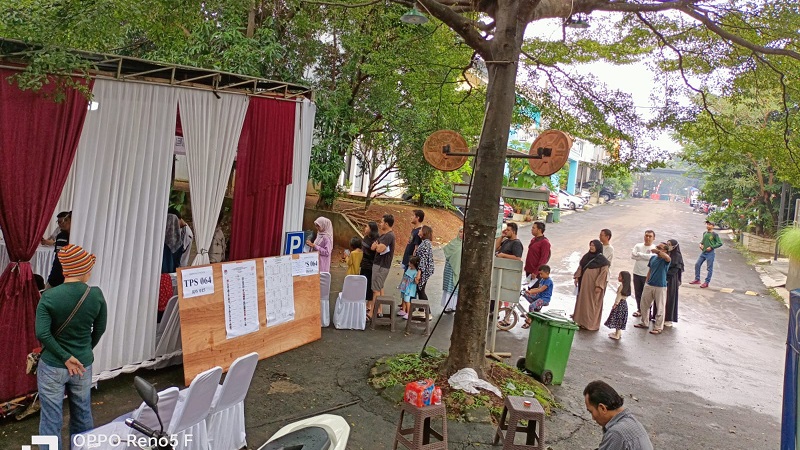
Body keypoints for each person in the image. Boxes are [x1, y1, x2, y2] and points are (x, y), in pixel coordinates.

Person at [36, 244, 107, 448]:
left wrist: (64, 356)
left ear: (65, 270)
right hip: (82, 365)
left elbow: (42, 333)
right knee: (83, 412)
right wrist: (82, 351)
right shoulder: (96, 295)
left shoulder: (48, 297)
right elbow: (100, 329)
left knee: (50, 418)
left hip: (52, 366)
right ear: (83, 269)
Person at [583, 381, 654, 450]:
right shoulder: (630, 421)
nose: (593, 418)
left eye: (591, 412)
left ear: (602, 408)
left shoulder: (617, 433)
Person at [634, 242, 672, 334]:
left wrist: (658, 252)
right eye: (657, 247)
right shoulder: (653, 258)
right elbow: (650, 270)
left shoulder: (665, 260)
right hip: (650, 284)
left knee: (660, 307)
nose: (658, 248)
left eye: (660, 247)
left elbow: (668, 258)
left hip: (660, 286)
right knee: (644, 305)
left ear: (665, 250)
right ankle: (644, 322)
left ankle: (658, 327)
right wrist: (647, 282)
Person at [573, 240, 611, 331]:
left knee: (592, 304)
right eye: (590, 245)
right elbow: (581, 266)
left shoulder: (603, 261)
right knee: (582, 302)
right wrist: (577, 277)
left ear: (598, 247)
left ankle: (590, 324)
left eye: (593, 246)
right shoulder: (586, 257)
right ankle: (581, 322)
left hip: (593, 286)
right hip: (584, 285)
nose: (591, 247)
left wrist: (599, 286)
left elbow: (604, 273)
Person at [369, 214, 395, 318]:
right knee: (379, 287)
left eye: (382, 222)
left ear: (386, 224)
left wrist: (377, 246)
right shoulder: (383, 235)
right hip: (378, 264)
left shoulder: (389, 236)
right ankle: (379, 310)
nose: (380, 223)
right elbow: (374, 247)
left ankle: (372, 313)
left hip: (382, 265)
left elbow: (379, 249)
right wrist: (376, 246)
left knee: (375, 289)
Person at [630, 230, 656, 318]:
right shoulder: (638, 245)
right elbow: (633, 256)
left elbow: (652, 257)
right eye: (646, 236)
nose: (647, 238)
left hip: (647, 273)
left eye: (650, 236)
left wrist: (640, 255)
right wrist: (644, 256)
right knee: (638, 292)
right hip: (637, 272)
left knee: (647, 294)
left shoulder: (654, 248)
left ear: (653, 238)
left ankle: (648, 311)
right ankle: (639, 309)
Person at [689, 220, 723, 288]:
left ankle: (707, 282)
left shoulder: (714, 234)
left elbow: (720, 243)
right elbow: (702, 241)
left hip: (710, 253)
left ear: (713, 226)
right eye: (707, 224)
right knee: (697, 264)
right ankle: (697, 279)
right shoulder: (705, 233)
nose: (708, 226)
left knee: (709, 268)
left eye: (709, 224)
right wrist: (700, 244)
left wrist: (712, 247)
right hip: (703, 252)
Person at [46, 211, 72, 288]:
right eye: (59, 222)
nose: (61, 224)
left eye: (65, 220)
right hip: (59, 270)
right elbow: (60, 255)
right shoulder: (61, 236)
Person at [605, 271, 632, 340]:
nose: (618, 277)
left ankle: (617, 334)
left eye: (620, 276)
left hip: (619, 304)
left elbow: (618, 296)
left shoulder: (621, 287)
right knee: (620, 319)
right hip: (624, 304)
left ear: (623, 279)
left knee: (617, 319)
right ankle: (618, 333)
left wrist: (615, 304)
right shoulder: (627, 286)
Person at [441, 227, 463, 313]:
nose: (461, 234)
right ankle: (447, 305)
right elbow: (447, 251)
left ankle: (453, 306)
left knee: (454, 287)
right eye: (460, 232)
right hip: (449, 268)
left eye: (463, 232)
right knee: (448, 286)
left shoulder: (465, 245)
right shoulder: (454, 242)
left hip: (457, 269)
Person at [665, 239, 684, 327]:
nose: (668, 246)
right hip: (664, 278)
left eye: (669, 244)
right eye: (667, 244)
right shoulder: (667, 253)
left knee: (670, 298)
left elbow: (675, 269)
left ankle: (669, 318)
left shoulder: (677, 256)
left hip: (672, 279)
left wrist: (666, 277)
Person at [360, 222, 380, 306]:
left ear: (371, 229)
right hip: (363, 263)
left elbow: (377, 252)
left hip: (370, 265)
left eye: (367, 227)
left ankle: (369, 304)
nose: (365, 228)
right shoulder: (365, 237)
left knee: (369, 285)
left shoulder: (376, 240)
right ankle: (363, 302)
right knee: (362, 283)